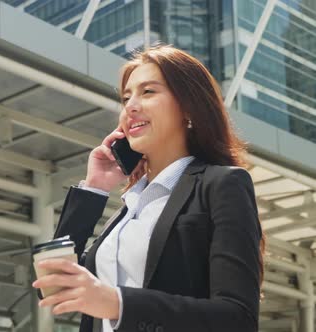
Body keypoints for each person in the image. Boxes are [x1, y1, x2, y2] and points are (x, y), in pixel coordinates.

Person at [32, 44, 265, 332]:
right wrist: (94, 189)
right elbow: (51, 284)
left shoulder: (222, 185)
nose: (130, 106)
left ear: (188, 106)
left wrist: (118, 303)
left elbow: (237, 318)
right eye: (126, 97)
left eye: (148, 92)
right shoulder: (130, 207)